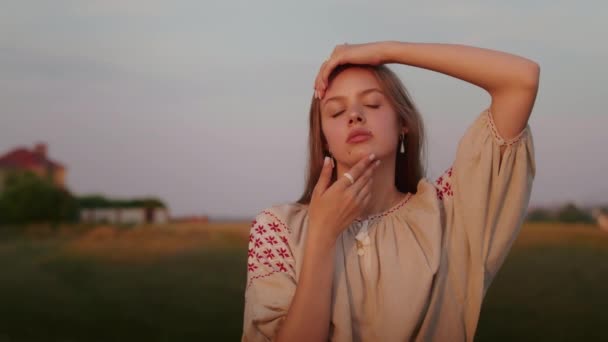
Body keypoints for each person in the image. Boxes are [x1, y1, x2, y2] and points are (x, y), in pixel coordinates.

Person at [241, 41, 539, 342]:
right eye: (336, 111)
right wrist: (321, 235)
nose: (354, 115)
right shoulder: (278, 229)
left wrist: (386, 53)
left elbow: (520, 81)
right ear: (324, 139)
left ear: (403, 123)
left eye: (372, 103)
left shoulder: (449, 211)